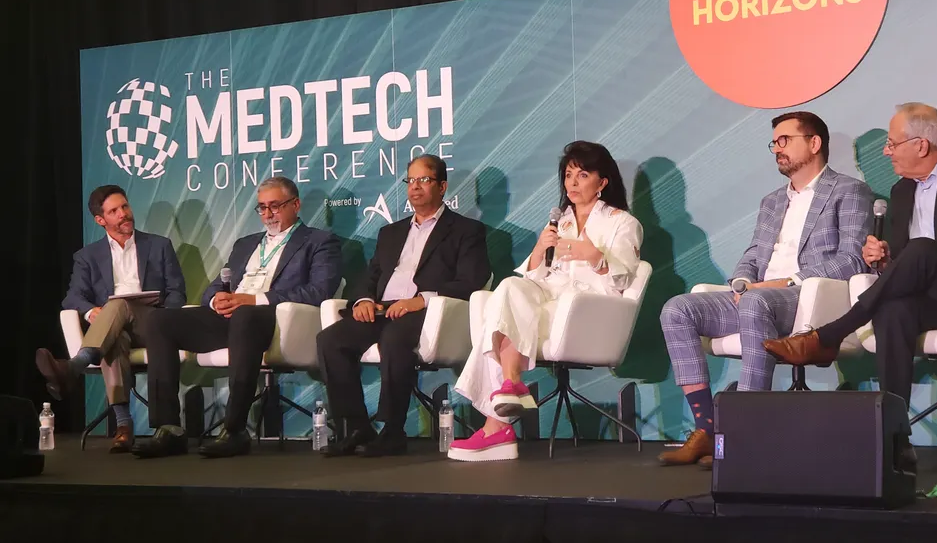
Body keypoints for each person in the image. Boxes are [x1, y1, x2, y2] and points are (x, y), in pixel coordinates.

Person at [762, 103, 937, 471]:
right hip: (931, 295)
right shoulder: (901, 191)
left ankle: (832, 332)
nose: (886, 152)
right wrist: (888, 258)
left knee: (922, 250)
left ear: (921, 145)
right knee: (893, 309)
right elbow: (910, 260)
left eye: (892, 143)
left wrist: (916, 256)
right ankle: (896, 438)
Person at [656, 112, 873, 467]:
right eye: (774, 142)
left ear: (814, 143)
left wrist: (786, 281)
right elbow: (754, 254)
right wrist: (742, 281)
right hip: (759, 293)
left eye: (785, 140)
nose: (776, 149)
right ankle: (707, 430)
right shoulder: (771, 201)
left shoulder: (848, 190)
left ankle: (743, 434)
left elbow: (852, 259)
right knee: (677, 309)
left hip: (807, 297)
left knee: (756, 300)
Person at [448, 141, 643, 462]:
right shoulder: (560, 221)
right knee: (509, 288)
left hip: (587, 311)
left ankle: (495, 428)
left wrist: (593, 256)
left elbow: (623, 278)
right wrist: (540, 250)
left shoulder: (623, 222)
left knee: (503, 317)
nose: (573, 183)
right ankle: (511, 385)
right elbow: (534, 279)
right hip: (550, 302)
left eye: (582, 175)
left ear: (602, 182)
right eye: (568, 175)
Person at [132, 176, 342, 459]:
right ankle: (169, 428)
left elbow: (320, 290)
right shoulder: (246, 244)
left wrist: (254, 300)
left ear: (296, 204)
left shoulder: (319, 241)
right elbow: (220, 283)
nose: (267, 214)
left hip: (274, 320)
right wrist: (216, 298)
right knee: (160, 321)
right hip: (232, 316)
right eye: (262, 208)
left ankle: (234, 429)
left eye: (275, 206)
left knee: (245, 315)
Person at [316, 155, 490, 457]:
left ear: (442, 186)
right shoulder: (390, 232)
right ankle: (358, 426)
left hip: (425, 311)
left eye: (424, 180)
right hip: (382, 309)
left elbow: (472, 280)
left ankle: (393, 430)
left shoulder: (465, 230)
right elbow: (370, 276)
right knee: (330, 340)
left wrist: (421, 299)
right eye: (410, 180)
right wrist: (363, 300)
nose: (415, 187)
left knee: (393, 338)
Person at [37, 185, 186, 453]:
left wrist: (168, 319)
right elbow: (73, 297)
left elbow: (177, 291)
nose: (124, 214)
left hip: (154, 324)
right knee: (114, 329)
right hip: (113, 328)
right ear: (100, 220)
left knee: (118, 305)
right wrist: (91, 311)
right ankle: (124, 426)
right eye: (114, 211)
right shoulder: (87, 256)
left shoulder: (159, 245)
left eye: (125, 207)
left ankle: (75, 366)